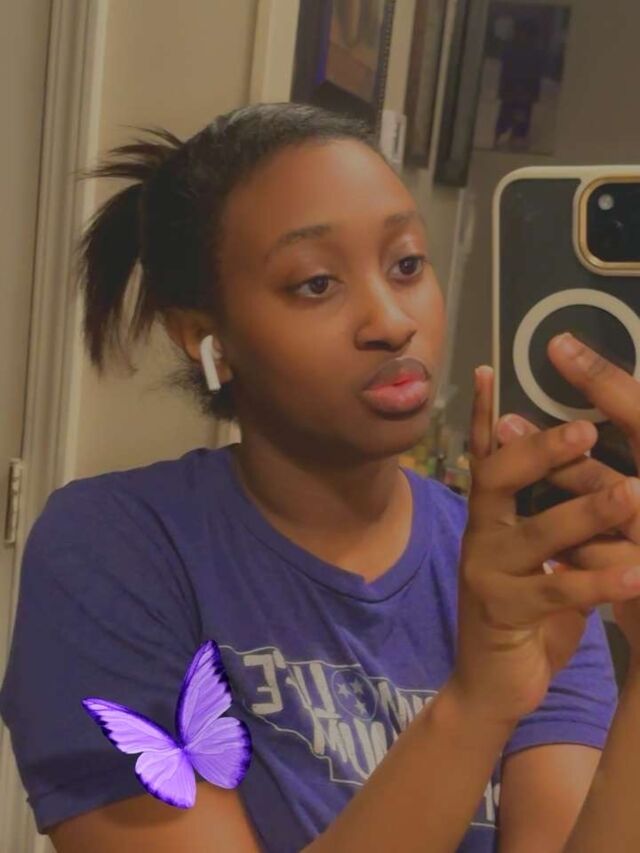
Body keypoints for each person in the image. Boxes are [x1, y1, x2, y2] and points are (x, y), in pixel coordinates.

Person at [2, 101, 640, 853]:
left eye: (407, 265)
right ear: (205, 337)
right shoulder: (115, 553)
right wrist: (478, 702)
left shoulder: (518, 567)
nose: (392, 321)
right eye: (315, 283)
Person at [493, 17, 545, 150]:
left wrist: (532, 93)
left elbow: (535, 75)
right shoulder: (514, 50)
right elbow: (506, 72)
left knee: (520, 117)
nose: (519, 35)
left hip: (523, 92)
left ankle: (515, 138)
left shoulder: (532, 52)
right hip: (513, 91)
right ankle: (502, 137)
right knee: (508, 115)